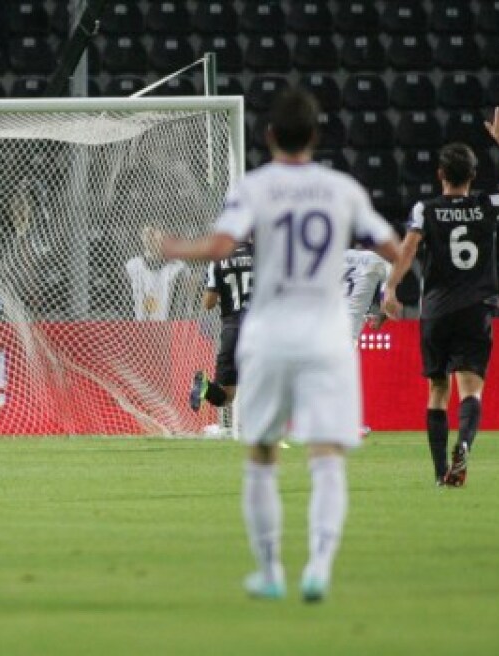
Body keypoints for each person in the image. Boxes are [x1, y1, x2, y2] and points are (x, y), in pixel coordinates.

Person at [163, 89, 399, 603]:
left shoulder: (255, 187)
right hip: (324, 333)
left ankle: (270, 570)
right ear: (315, 137)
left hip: (267, 331)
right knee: (327, 454)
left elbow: (222, 247)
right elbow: (391, 248)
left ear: (269, 136)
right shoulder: (342, 189)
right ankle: (318, 566)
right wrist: (393, 291)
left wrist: (176, 247)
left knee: (262, 453)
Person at [383, 107, 499, 488]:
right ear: (473, 176)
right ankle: (464, 445)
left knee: (438, 389)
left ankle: (440, 472)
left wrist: (391, 287)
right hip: (476, 308)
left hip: (436, 310)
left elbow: (408, 248)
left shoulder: (426, 209)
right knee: (471, 388)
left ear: (440, 175)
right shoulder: (487, 205)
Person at [190, 238, 253, 414]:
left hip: (231, 330)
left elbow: (208, 303)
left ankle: (205, 387)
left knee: (226, 396)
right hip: (258, 329)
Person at [124, 225, 186, 321]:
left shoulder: (177, 267)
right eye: (145, 234)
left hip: (167, 327)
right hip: (137, 326)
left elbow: (181, 303)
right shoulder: (132, 265)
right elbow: (126, 299)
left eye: (153, 233)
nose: (149, 237)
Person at [343, 245, 391, 340]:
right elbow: (387, 302)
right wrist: (380, 318)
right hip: (351, 326)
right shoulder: (380, 261)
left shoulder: (339, 256)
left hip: (328, 322)